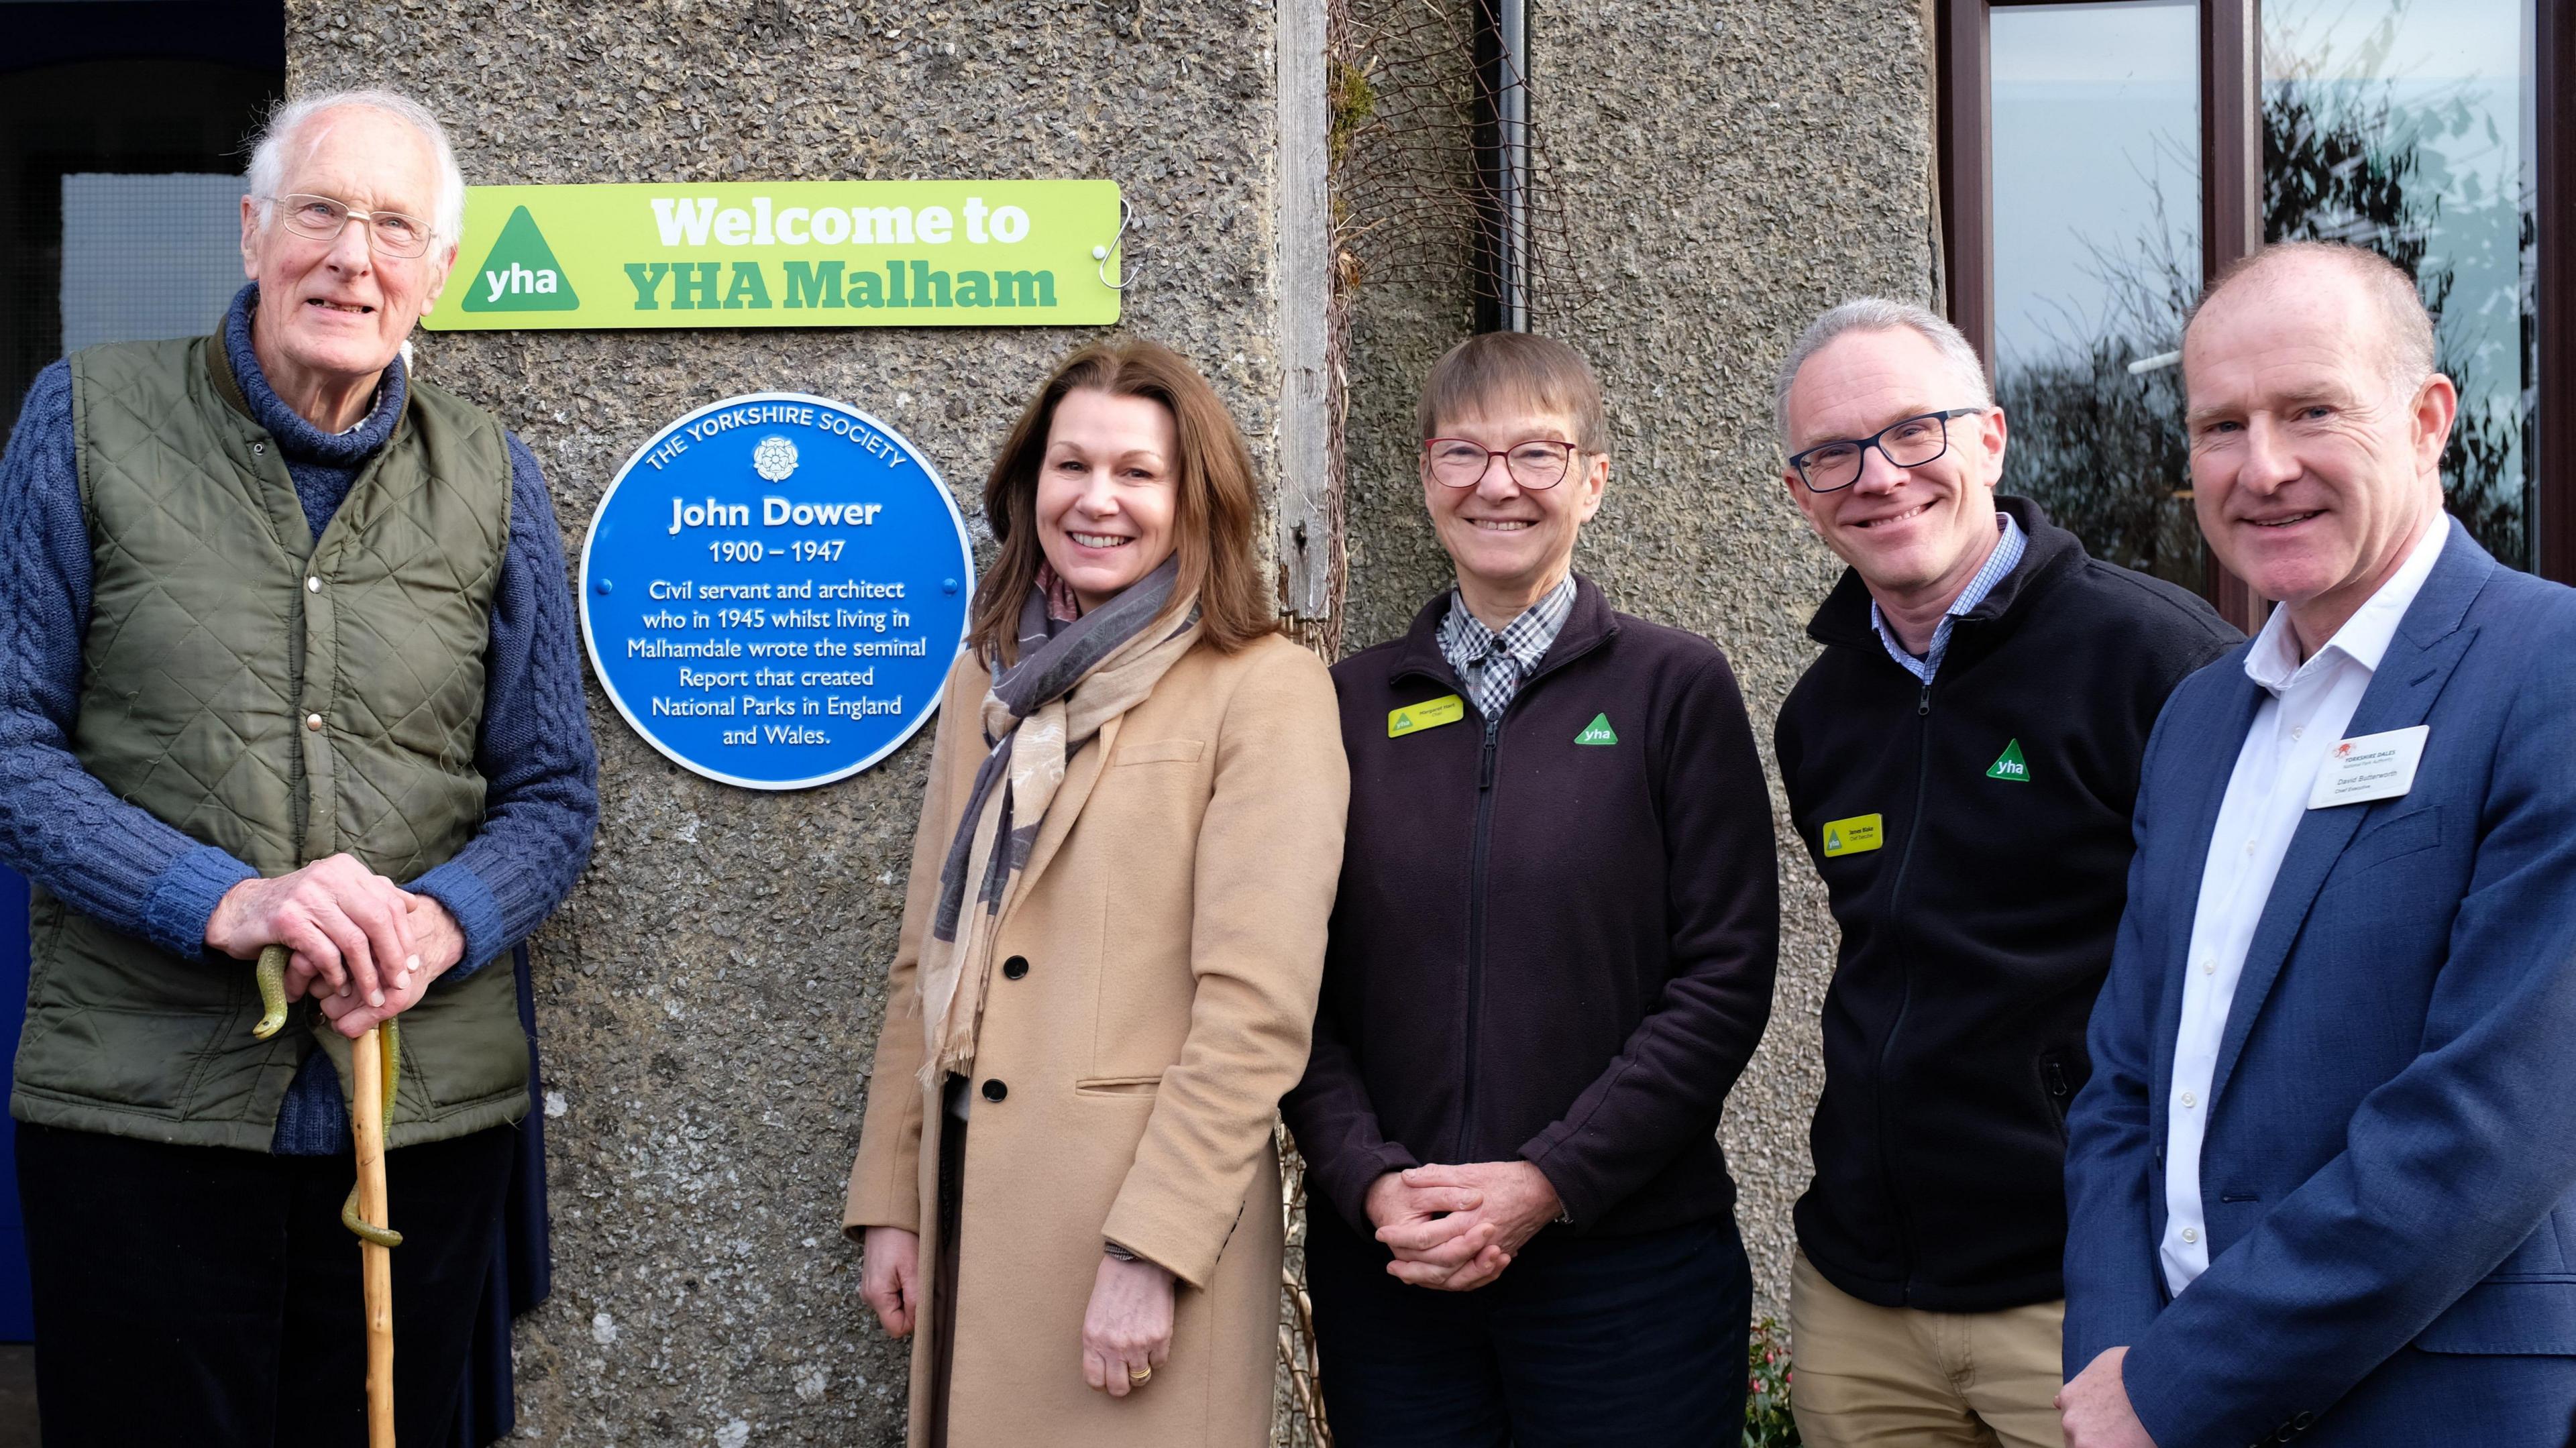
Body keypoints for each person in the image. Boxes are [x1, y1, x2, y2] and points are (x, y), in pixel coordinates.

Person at [0, 89, 597, 1445]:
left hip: (421, 1117)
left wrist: (443, 921)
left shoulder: (495, 481)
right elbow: (8, 744)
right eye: (323, 211)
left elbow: (554, 796)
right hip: (141, 1114)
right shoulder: (85, 417)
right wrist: (224, 901)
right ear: (255, 229)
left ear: (439, 275)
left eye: (396, 227)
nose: (353, 256)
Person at [2059, 240, 2576, 1447]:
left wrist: (2176, 1382)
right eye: (2221, 427)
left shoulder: (2547, 672)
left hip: (2431, 1404)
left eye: (2312, 411)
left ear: (2427, 419)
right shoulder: (2199, 718)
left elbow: (2487, 1130)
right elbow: (2127, 1084)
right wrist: (2118, 1358)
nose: (2264, 468)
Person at [843, 339, 1348, 1447]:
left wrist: (1153, 1251)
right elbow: (920, 958)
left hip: (1131, 1240)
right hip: (972, 1214)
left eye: (1138, 473)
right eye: (1072, 467)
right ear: (1030, 487)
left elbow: (1254, 1012)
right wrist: (893, 1193)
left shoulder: (1264, 689)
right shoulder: (991, 675)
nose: (1098, 500)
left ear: (1194, 499)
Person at [1282, 331, 1778, 1445]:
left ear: (1593, 481)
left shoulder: (1673, 689)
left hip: (1627, 1273)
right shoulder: (1344, 706)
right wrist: (1367, 1181)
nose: (1497, 484)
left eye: (1538, 455)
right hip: (1394, 1276)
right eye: (1464, 453)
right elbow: (1286, 985)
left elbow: (1724, 980)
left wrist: (1546, 1178)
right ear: (1424, 478)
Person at [1768, 300, 2237, 1447]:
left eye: (1913, 432)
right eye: (1833, 453)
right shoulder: (1821, 716)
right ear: (1800, 494)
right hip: (1864, 1301)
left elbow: (2246, 973)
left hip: (2086, 1295)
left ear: (1989, 439)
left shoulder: (2159, 661)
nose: (1878, 476)